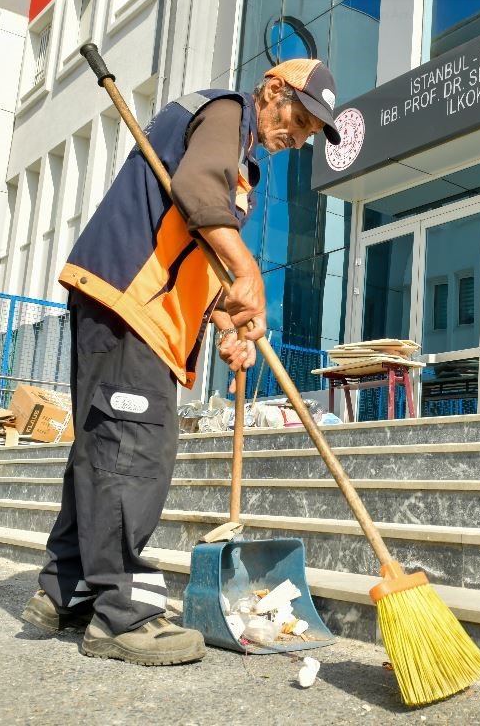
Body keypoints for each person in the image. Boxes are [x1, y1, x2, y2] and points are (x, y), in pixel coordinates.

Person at [19, 59, 342, 666]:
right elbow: (194, 190)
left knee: (103, 446)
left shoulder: (240, 159)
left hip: (133, 308)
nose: (298, 138)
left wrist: (226, 317)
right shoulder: (224, 113)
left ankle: (65, 589)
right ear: (273, 90)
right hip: (131, 304)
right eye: (300, 119)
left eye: (308, 133)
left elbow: (195, 252)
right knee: (135, 449)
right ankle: (124, 615)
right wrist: (249, 272)